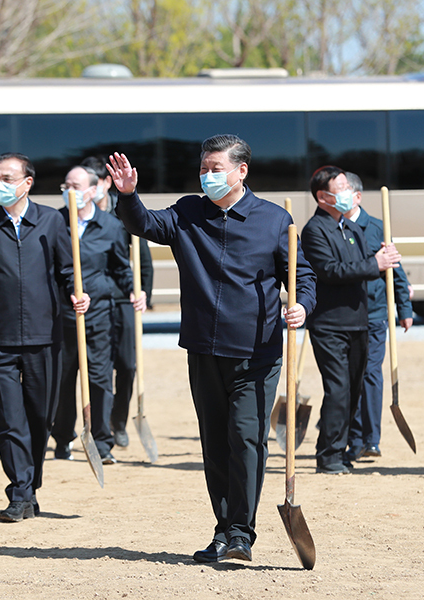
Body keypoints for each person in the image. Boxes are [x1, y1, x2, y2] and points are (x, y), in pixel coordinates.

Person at [108, 134, 316, 563]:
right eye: (203, 169)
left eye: (215, 168)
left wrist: (301, 305)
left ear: (241, 171)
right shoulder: (187, 213)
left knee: (246, 438)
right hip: (203, 348)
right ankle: (224, 531)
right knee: (215, 443)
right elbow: (143, 224)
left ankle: (241, 532)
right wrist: (127, 195)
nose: (207, 176)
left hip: (257, 351)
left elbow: (303, 276)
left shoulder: (275, 220)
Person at [0, 152, 89, 522]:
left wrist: (78, 293)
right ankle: (19, 491)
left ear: (27, 183)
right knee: (9, 417)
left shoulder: (51, 221)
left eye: (7, 178)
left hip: (46, 335)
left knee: (40, 416)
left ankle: (30, 486)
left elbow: (67, 270)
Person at [301, 166, 401, 475]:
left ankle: (343, 449)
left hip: (359, 321)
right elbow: (329, 270)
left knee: (354, 388)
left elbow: (365, 264)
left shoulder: (351, 228)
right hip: (329, 324)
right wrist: (375, 264)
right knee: (339, 388)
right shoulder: (315, 230)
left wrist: (385, 259)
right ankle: (328, 455)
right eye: (340, 188)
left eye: (347, 187)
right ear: (323, 196)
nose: (348, 193)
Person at [51, 165, 140, 465]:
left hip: (100, 315)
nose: (69, 191)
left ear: (93, 190)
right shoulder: (54, 223)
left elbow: (120, 268)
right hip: (62, 316)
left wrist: (134, 290)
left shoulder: (111, 226)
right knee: (64, 379)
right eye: (65, 186)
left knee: (100, 379)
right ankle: (63, 437)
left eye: (75, 186)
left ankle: (101, 441)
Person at [80, 156, 154, 448]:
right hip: (93, 298)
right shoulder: (77, 215)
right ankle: (95, 424)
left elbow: (143, 260)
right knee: (95, 365)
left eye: (95, 181)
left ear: (106, 182)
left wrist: (142, 291)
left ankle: (118, 421)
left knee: (126, 364)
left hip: (124, 296)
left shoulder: (124, 212)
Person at [340, 172, 413, 462]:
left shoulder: (378, 228)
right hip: (344, 315)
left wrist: (404, 309)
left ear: (357, 196)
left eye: (344, 190)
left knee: (370, 373)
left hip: (374, 313)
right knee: (350, 376)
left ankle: (371, 439)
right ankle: (354, 439)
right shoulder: (332, 227)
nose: (338, 195)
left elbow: (397, 271)